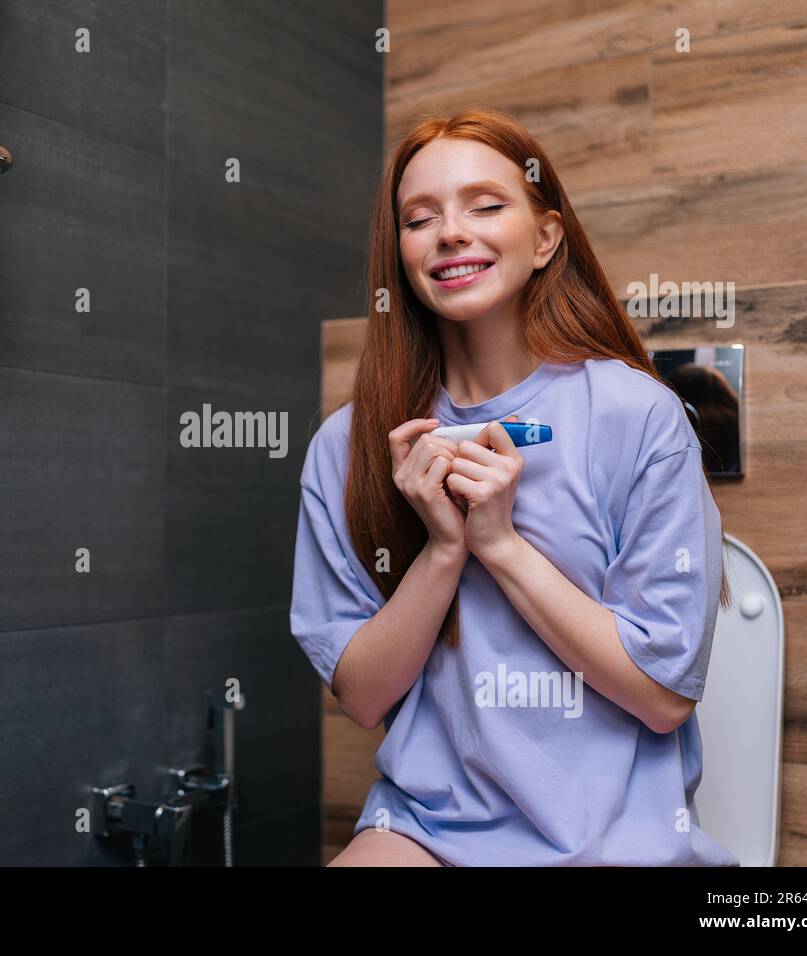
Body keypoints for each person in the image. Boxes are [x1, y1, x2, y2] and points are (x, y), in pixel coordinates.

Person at [291, 107, 739, 867]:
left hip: (614, 843)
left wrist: (499, 545)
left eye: (486, 205)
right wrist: (442, 551)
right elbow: (364, 701)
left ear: (545, 238)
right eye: (419, 218)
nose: (450, 233)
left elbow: (664, 701)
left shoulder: (632, 414)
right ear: (399, 254)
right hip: (425, 833)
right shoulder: (351, 446)